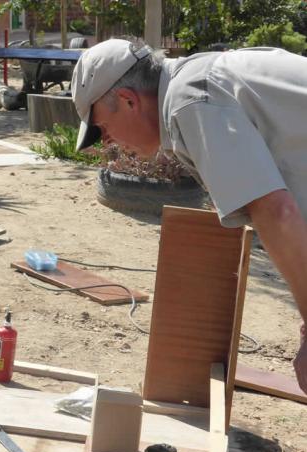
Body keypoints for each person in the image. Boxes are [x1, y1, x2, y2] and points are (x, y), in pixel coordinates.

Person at [71, 39, 307, 393]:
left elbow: (276, 213)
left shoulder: (191, 100)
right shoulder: (201, 81)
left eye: (103, 130)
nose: (108, 144)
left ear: (128, 100)